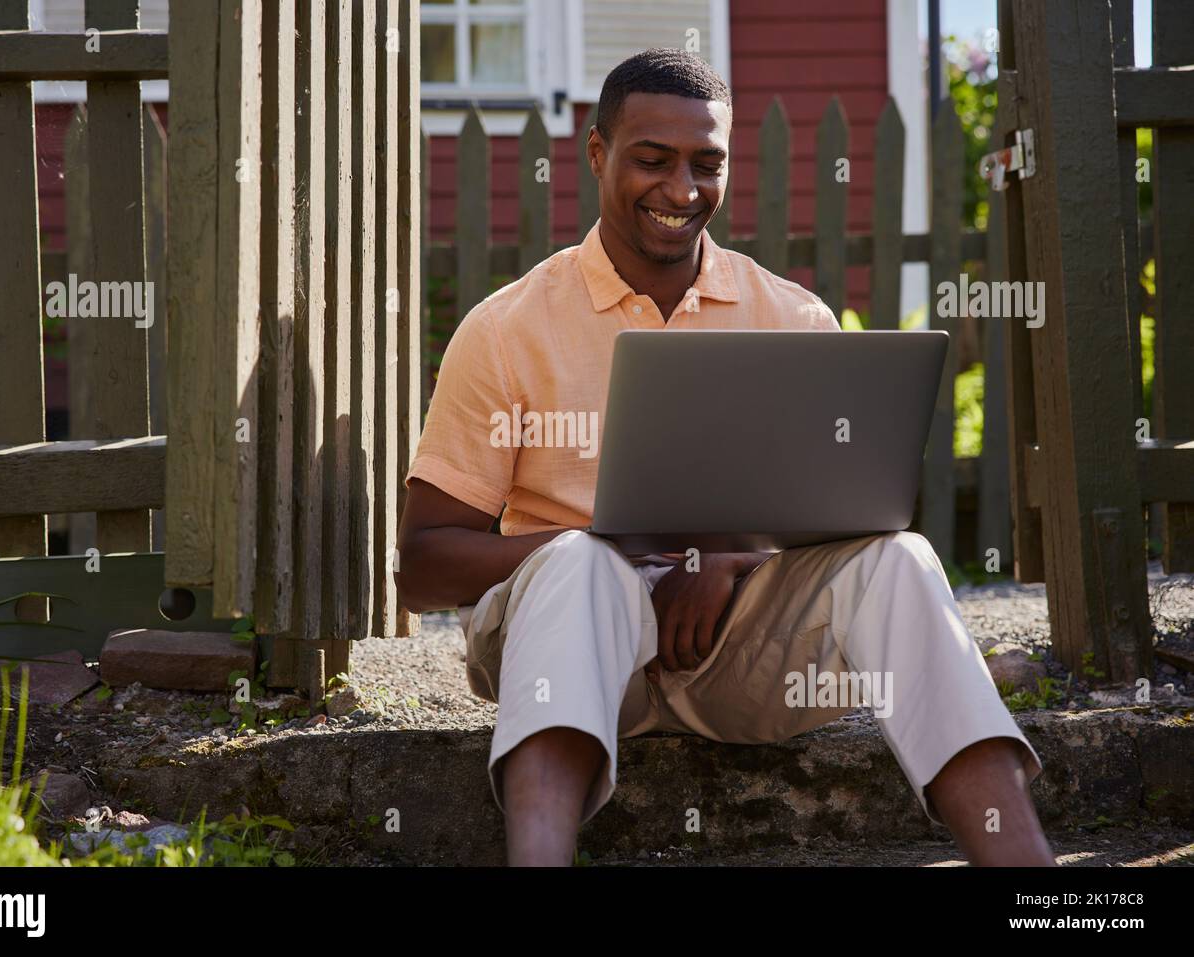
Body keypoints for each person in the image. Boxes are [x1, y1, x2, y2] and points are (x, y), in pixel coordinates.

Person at [395, 48, 1054, 868]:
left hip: (739, 663)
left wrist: (736, 554)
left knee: (902, 559)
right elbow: (421, 566)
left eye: (706, 164)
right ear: (597, 154)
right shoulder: (506, 329)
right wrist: (622, 552)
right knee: (577, 564)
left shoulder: (792, 318)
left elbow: (847, 522)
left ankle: (1035, 884)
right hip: (568, 660)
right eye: (653, 159)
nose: (682, 190)